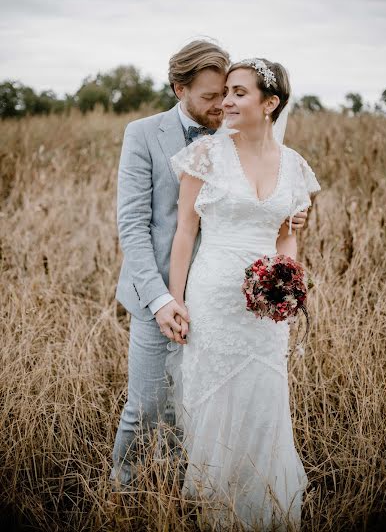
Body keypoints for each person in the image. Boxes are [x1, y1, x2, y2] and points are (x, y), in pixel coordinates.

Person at [110, 41, 309, 490]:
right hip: (160, 291)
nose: (222, 105)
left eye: (228, 94)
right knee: (146, 406)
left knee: (204, 405)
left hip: (235, 300)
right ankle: (121, 490)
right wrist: (165, 300)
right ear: (179, 90)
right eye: (209, 97)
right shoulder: (143, 134)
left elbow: (267, 200)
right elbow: (134, 228)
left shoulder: (241, 137)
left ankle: (197, 489)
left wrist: (287, 216)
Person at [166, 58, 321, 530]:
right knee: (214, 395)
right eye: (226, 92)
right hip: (213, 294)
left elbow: (286, 236)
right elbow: (185, 232)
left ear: (270, 104)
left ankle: (266, 505)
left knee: (264, 392)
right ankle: (218, 508)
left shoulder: (294, 165)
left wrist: (286, 277)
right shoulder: (206, 156)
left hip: (266, 306)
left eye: (239, 93)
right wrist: (175, 299)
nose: (227, 102)